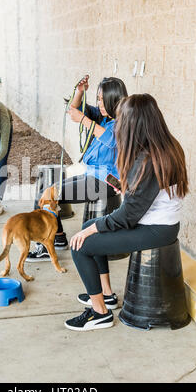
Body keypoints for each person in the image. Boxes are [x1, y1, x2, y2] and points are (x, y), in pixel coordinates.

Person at [64, 93, 189, 331]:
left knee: (80, 243)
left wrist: (94, 227)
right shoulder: (166, 146)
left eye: (122, 120)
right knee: (86, 232)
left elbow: (129, 215)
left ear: (135, 123)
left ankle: (99, 312)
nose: (119, 125)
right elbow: (148, 195)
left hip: (156, 230)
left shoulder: (148, 158)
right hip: (158, 222)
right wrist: (124, 187)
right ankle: (106, 296)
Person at [27, 76, 128, 310]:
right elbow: (74, 110)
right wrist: (80, 92)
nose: (100, 104)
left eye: (103, 100)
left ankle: (48, 240)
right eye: (98, 99)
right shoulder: (103, 116)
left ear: (114, 99)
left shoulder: (123, 121)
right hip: (92, 176)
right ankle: (57, 238)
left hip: (104, 182)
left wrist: (83, 119)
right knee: (49, 191)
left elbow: (112, 140)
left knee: (49, 195)